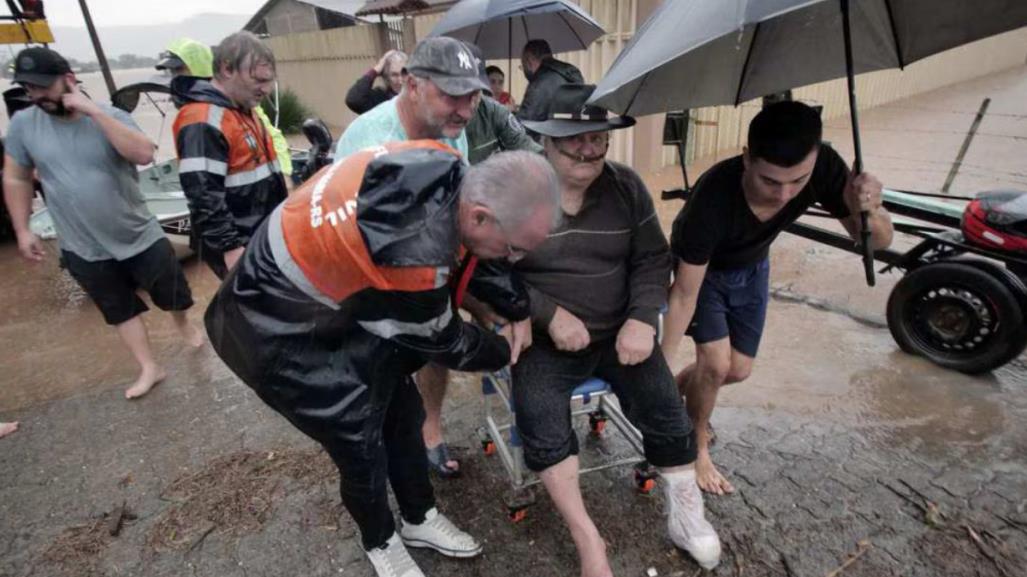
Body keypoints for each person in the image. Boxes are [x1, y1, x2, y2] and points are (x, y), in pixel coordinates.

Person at [204, 143, 560, 577]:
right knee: (358, 442)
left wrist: (517, 305)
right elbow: (448, 343)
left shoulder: (446, 164)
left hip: (333, 303)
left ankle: (419, 518)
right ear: (481, 215)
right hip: (267, 329)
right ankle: (380, 540)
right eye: (514, 249)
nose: (514, 259)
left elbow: (474, 255)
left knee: (403, 412)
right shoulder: (417, 256)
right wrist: (506, 348)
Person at [512, 83, 722, 576]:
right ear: (544, 139)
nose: (589, 149)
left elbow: (652, 258)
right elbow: (487, 270)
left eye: (598, 137)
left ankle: (687, 518)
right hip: (546, 343)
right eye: (575, 138)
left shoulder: (625, 186)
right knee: (540, 420)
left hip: (618, 334)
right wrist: (546, 313)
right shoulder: (516, 191)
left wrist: (642, 318)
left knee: (668, 411)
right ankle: (588, 539)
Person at [661, 101, 894, 495]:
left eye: (797, 182)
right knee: (715, 365)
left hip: (754, 268)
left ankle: (692, 392)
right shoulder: (711, 201)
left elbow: (877, 243)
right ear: (747, 158)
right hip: (706, 274)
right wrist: (659, 370)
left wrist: (870, 208)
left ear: (816, 158)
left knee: (737, 370)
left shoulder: (825, 167)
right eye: (770, 181)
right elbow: (684, 295)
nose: (785, 194)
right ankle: (696, 446)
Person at [334, 36, 507, 477]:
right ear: (411, 85)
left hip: (428, 263)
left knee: (439, 334)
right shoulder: (367, 141)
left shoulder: (454, 131)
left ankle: (430, 427)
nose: (466, 110)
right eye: (453, 95)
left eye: (473, 96)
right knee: (383, 369)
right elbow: (348, 237)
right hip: (370, 275)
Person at [3, 47, 203, 400]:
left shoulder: (109, 116)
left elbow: (143, 154)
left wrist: (94, 112)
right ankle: (149, 366)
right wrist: (22, 228)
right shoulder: (23, 124)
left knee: (174, 295)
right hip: (82, 244)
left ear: (68, 80)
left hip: (138, 232)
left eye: (42, 87)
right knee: (117, 308)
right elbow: (17, 177)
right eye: (29, 88)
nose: (36, 96)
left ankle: (184, 326)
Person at [172, 32, 289, 279]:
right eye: (258, 79)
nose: (266, 89)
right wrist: (231, 248)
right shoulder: (202, 119)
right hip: (239, 243)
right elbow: (203, 194)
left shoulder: (245, 109)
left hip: (262, 233)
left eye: (270, 81)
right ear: (227, 69)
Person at [158, 37, 293, 181]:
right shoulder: (192, 112)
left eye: (179, 70)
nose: (174, 77)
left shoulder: (234, 101)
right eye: (172, 71)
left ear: (198, 66)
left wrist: (284, 174)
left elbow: (272, 136)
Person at [516, 39, 584, 124]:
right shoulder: (571, 76)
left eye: (523, 65)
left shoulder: (538, 85)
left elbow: (523, 126)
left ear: (530, 60)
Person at [345, 49, 406, 114]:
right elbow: (354, 100)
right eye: (394, 75)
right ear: (386, 77)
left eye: (404, 73)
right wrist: (375, 70)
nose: (400, 80)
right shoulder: (378, 100)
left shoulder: (415, 96)